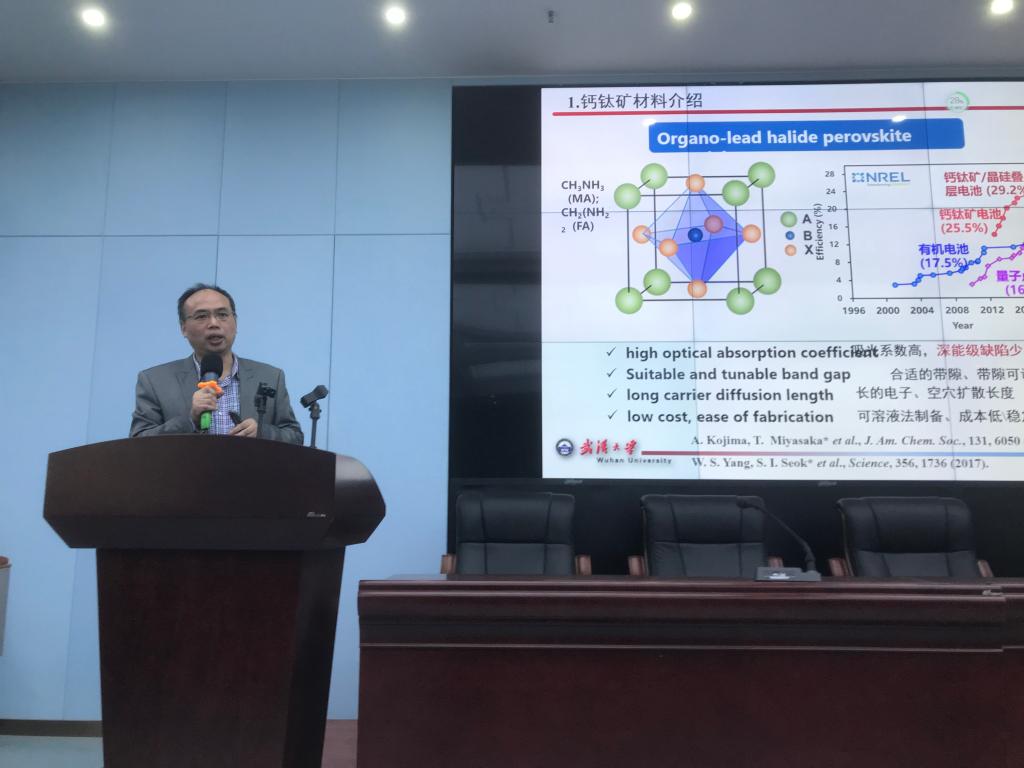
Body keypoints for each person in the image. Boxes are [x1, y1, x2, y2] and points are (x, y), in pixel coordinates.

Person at [130, 283, 304, 444]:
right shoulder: (155, 381)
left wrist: (261, 432)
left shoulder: (271, 377)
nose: (214, 323)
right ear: (183, 327)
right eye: (201, 316)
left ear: (235, 322)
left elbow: (294, 437)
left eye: (222, 315)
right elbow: (138, 443)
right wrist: (190, 420)